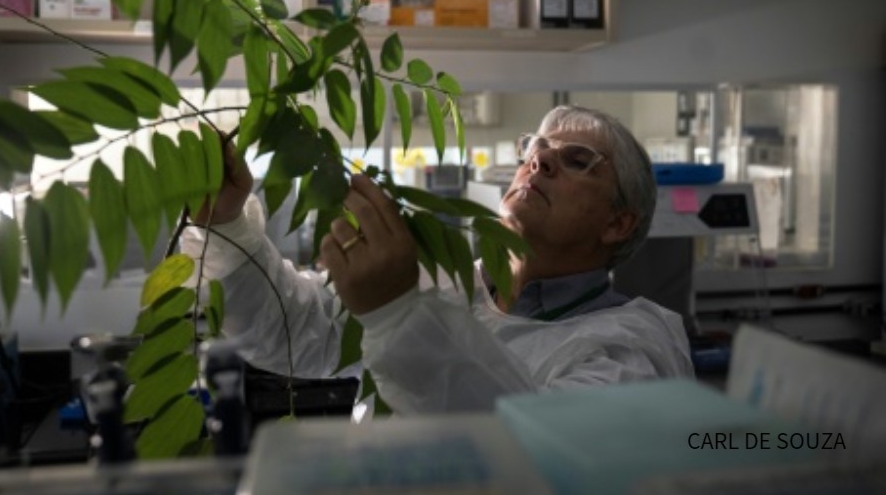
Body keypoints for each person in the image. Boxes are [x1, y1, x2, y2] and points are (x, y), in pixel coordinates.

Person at [181, 105, 693, 414]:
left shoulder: (632, 353)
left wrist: (398, 316)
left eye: (577, 160)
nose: (538, 162)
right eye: (535, 150)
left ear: (617, 223)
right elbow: (288, 332)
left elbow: (530, 453)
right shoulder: (446, 284)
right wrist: (225, 221)